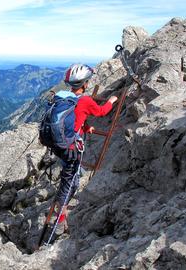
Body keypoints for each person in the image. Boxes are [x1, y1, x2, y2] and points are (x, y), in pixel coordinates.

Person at [52, 64, 118, 230]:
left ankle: (64, 196)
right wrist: (111, 101)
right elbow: (102, 111)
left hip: (59, 144)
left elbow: (73, 119)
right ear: (85, 84)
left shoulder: (62, 98)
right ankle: (60, 222)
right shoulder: (85, 100)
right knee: (70, 183)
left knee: (69, 173)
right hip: (71, 148)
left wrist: (85, 127)